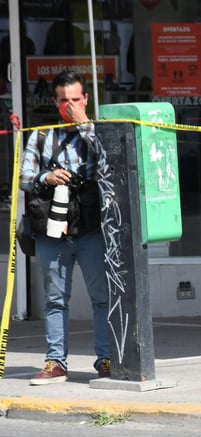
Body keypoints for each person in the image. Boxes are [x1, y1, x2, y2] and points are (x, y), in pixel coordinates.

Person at [19, 70, 111, 385]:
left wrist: (85, 123)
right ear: (54, 101)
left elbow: (111, 165)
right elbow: (24, 177)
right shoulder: (42, 135)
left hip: (89, 230)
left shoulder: (98, 132)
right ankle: (56, 361)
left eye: (75, 100)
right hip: (52, 231)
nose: (69, 106)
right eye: (63, 101)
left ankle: (106, 359)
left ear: (85, 99)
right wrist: (48, 177)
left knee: (102, 297)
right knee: (55, 299)